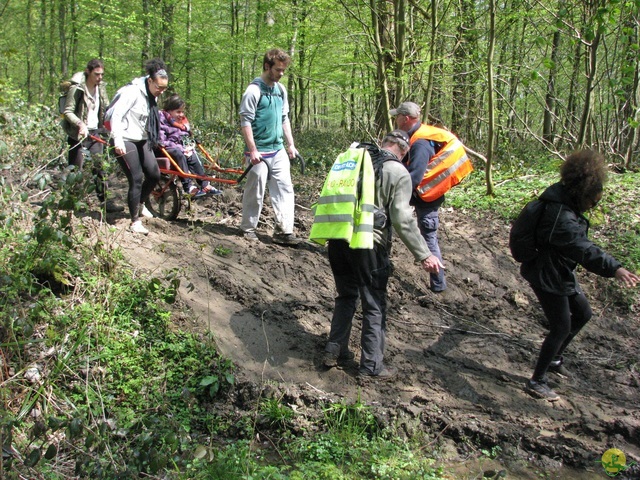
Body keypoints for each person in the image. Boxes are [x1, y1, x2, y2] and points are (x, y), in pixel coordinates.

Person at [322, 131, 443, 379]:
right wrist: (424, 254)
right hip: (368, 244)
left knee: (346, 296)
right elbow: (401, 218)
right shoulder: (397, 172)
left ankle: (334, 350)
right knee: (374, 304)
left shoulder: (350, 161)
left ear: (383, 144)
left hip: (337, 237)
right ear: (404, 152)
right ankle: (371, 366)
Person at [519, 150, 639, 401]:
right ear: (581, 194)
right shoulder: (559, 217)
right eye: (593, 203)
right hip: (547, 273)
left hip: (559, 269)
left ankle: (554, 360)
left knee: (583, 313)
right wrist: (614, 268)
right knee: (561, 326)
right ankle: (537, 380)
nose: (593, 207)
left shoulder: (564, 200)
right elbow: (582, 248)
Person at [391, 101, 471, 293]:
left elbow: (415, 177)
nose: (395, 119)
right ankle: (438, 284)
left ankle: (437, 286)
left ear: (406, 118)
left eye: (398, 116)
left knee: (429, 239)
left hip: (426, 197)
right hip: (425, 195)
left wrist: (394, 194)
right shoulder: (421, 134)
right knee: (427, 236)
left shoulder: (420, 143)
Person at [238, 48, 300, 245]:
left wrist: (290, 144)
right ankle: (248, 228)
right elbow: (245, 122)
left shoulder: (280, 90)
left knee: (284, 189)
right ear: (267, 66)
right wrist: (253, 150)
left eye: (283, 70)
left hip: (278, 148)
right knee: (256, 191)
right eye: (278, 70)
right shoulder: (253, 91)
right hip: (259, 152)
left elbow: (284, 118)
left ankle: (284, 230)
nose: (281, 74)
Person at [109, 58, 168, 235]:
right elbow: (116, 116)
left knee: (154, 174)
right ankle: (134, 221)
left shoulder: (152, 97)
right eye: (159, 87)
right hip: (125, 138)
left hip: (141, 139)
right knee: (136, 178)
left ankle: (140, 203)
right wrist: (117, 141)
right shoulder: (132, 92)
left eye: (164, 88)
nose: (161, 92)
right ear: (150, 81)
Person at [63, 59, 123, 213]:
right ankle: (73, 202)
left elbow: (106, 108)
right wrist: (80, 124)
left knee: (100, 168)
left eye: (102, 74)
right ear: (88, 72)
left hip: (96, 133)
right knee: (77, 170)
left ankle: (105, 202)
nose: (100, 77)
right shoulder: (77, 89)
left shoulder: (101, 88)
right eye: (97, 74)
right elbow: (67, 111)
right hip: (78, 135)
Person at [158, 94, 222, 197]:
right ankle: (188, 187)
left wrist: (189, 145)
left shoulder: (182, 122)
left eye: (182, 112)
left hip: (181, 147)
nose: (181, 115)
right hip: (166, 148)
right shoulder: (161, 120)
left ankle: (205, 184)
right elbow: (161, 139)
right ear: (169, 110)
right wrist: (179, 148)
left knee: (193, 156)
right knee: (179, 153)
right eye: (178, 112)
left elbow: (185, 136)